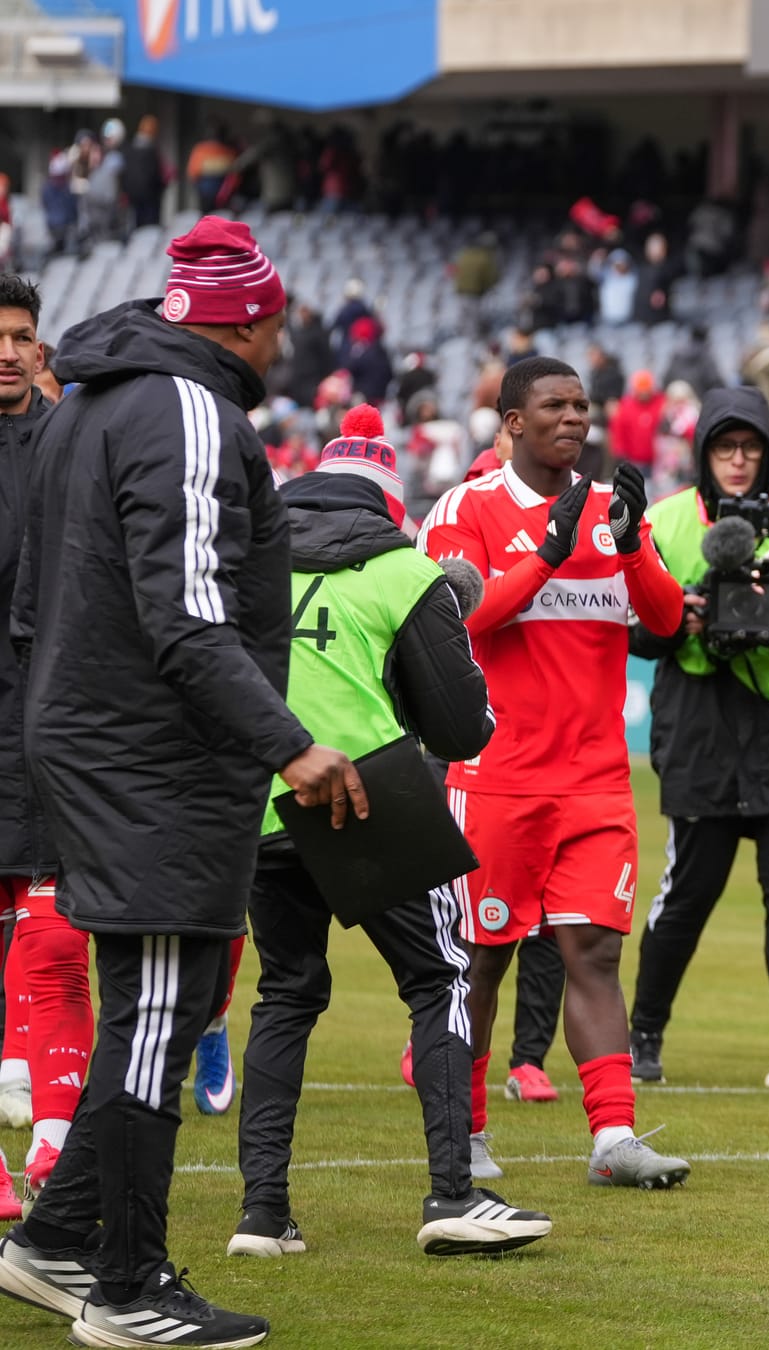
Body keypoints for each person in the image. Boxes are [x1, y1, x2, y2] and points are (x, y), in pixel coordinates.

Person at [1, 218, 360, 1348]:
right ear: (251, 324)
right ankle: (128, 1287)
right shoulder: (191, 412)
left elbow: (31, 612)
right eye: (278, 323)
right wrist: (289, 743)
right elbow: (190, 615)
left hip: (89, 740)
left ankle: (56, 1240)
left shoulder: (83, 409)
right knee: (158, 1010)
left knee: (163, 1005)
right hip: (153, 758)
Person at [234, 407, 551, 1260]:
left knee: (286, 996)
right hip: (369, 798)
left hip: (263, 802)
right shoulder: (404, 570)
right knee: (438, 978)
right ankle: (452, 1192)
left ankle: (261, 1215)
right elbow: (460, 729)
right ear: (386, 499)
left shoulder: (250, 563)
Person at [417, 357, 691, 1191]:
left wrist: (636, 543)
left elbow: (668, 620)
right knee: (481, 960)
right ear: (511, 422)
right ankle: (462, 1137)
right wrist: (546, 551)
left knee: (594, 955)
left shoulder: (614, 511)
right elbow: (454, 616)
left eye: (581, 406)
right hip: (495, 774)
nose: (574, 418)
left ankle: (613, 1138)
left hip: (598, 780)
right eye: (554, 406)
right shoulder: (468, 508)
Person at [627, 389, 769, 1092]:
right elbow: (631, 630)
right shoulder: (661, 521)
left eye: (750, 447)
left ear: (768, 452)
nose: (738, 460)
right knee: (687, 896)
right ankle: (641, 1036)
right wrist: (680, 617)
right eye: (724, 448)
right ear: (703, 454)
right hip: (700, 734)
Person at [0, 275, 57, 1214]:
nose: (7, 351)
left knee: (50, 937)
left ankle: (54, 1148)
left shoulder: (66, 444)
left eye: (21, 336)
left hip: (45, 730)